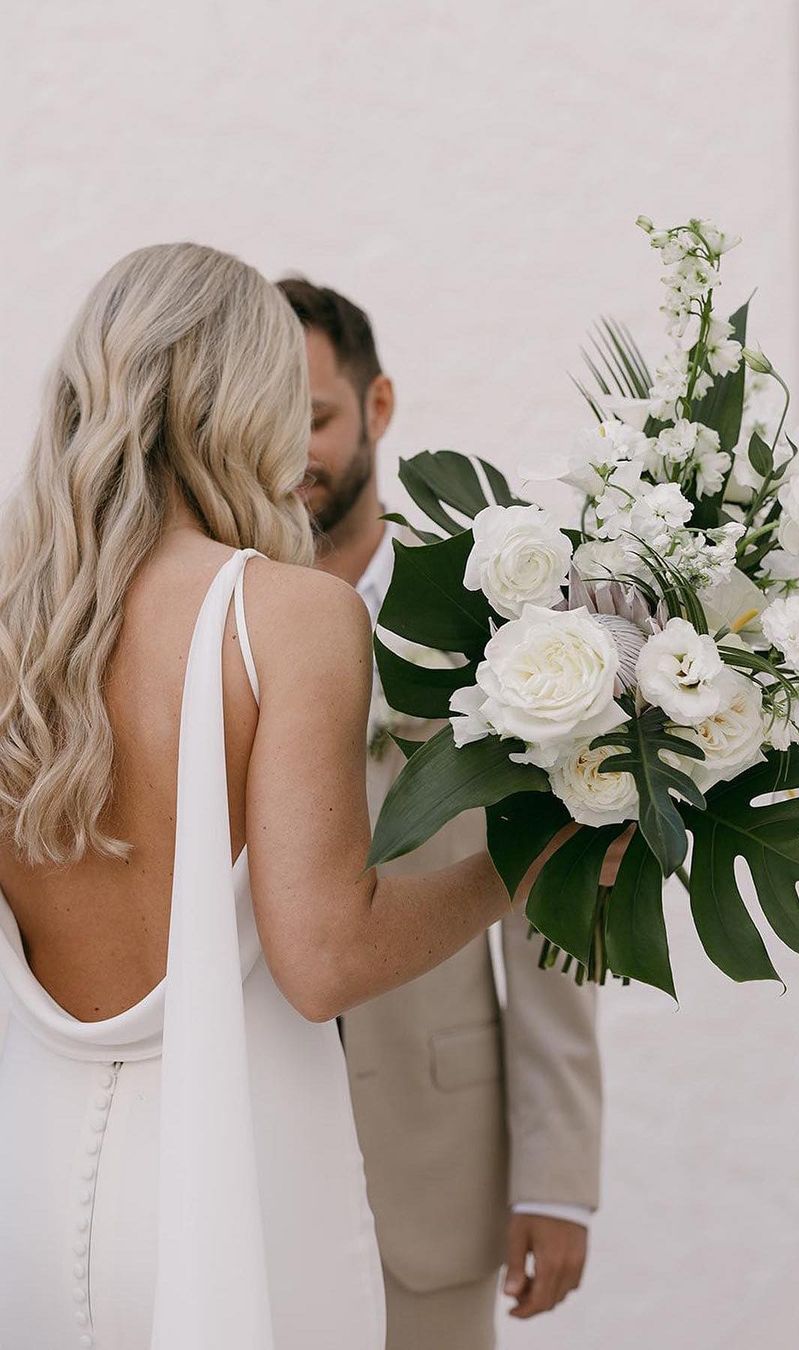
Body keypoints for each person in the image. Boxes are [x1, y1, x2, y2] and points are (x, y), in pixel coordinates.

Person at [0, 243, 608, 1349]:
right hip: (238, 1188)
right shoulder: (286, 615)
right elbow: (323, 960)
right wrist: (540, 852)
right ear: (246, 398)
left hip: (37, 1190)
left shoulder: (17, 626)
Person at [276, 278, 603, 1350]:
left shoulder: (487, 615)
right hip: (256, 1142)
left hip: (438, 1149)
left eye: (317, 417)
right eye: (267, 419)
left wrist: (558, 1176)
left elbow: (545, 892)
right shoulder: (223, 608)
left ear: (377, 409)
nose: (293, 451)